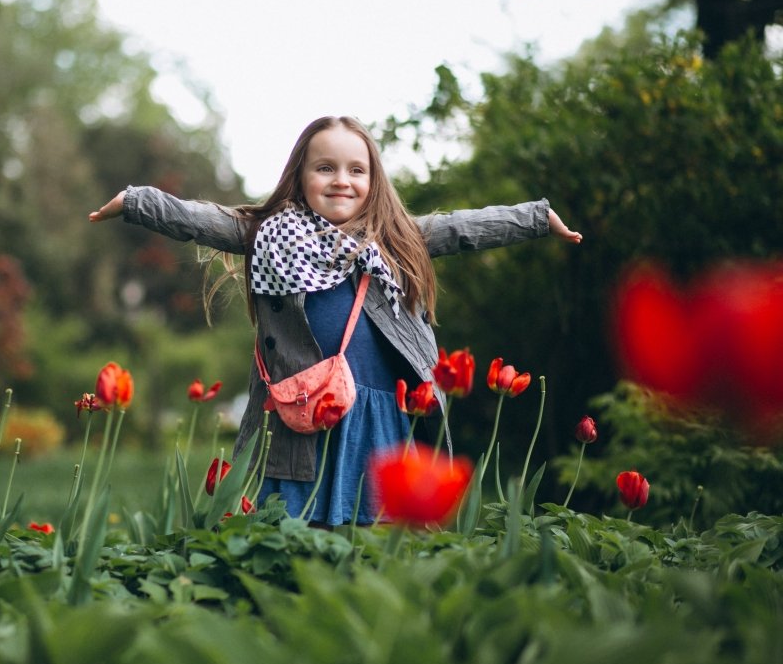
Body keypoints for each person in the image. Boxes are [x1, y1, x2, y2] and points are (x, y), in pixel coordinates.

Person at [89, 115, 582, 525]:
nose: (341, 180)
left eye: (356, 170)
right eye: (325, 168)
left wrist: (536, 218)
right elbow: (201, 219)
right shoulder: (271, 235)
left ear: (373, 182)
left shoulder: (392, 240)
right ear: (301, 177)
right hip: (302, 416)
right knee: (292, 530)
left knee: (377, 534)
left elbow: (461, 227)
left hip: (381, 413)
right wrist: (137, 203)